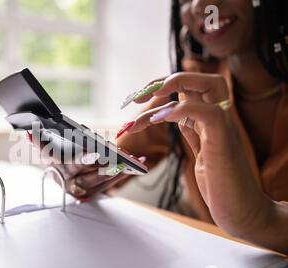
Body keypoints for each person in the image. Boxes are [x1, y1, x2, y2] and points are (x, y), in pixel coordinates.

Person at [30, 0, 288, 254]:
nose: (200, 6)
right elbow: (111, 163)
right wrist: (81, 171)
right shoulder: (189, 89)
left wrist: (259, 219)